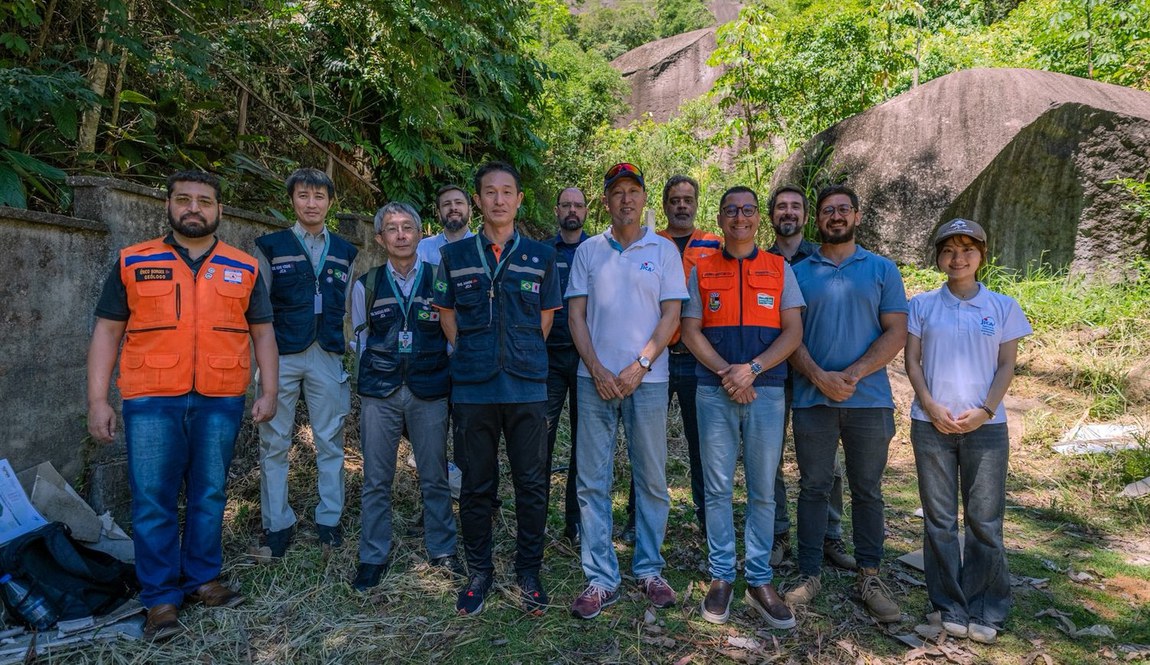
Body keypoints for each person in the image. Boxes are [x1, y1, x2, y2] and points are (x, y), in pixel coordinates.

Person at [87, 170, 278, 640]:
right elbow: (108, 331)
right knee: (152, 500)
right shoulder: (135, 261)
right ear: (169, 205)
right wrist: (97, 400)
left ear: (219, 210)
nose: (194, 208)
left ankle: (202, 580)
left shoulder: (244, 266)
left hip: (220, 397)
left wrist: (269, 389)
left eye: (205, 201)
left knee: (210, 494)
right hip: (151, 399)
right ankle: (160, 600)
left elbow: (263, 333)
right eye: (184, 199)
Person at [433, 161, 561, 616]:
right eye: (490, 192)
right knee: (476, 487)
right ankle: (480, 572)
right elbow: (446, 314)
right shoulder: (454, 257)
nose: (499, 200)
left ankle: (529, 571)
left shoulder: (542, 257)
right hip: (473, 389)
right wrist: (473, 352)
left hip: (526, 388)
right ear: (478, 200)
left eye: (508, 192)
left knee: (531, 483)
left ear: (519, 199)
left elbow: (544, 319)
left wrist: (517, 354)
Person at [566, 162, 688, 620]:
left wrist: (640, 365)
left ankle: (650, 568)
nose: (625, 199)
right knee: (592, 480)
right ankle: (600, 577)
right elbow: (576, 316)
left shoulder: (663, 250)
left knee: (652, 478)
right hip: (593, 380)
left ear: (643, 198)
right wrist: (595, 367)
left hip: (648, 381)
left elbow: (670, 317)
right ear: (606, 200)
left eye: (633, 190)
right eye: (617, 191)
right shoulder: (589, 252)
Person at [681, 186, 803, 629]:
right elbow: (690, 330)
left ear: (758, 219)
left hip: (766, 390)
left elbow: (792, 333)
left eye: (748, 210)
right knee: (716, 488)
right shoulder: (702, 268)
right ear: (720, 216)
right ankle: (720, 576)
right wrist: (727, 373)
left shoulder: (779, 268)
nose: (740, 218)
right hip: (714, 391)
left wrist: (750, 369)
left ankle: (758, 578)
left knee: (762, 490)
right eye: (731, 211)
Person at [786, 184, 908, 623]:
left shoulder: (881, 269)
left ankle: (870, 576)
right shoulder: (799, 273)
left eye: (843, 210)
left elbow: (896, 331)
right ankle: (808, 574)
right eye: (827, 211)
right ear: (816, 220)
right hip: (811, 399)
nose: (835, 217)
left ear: (857, 216)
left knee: (867, 490)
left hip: (869, 400)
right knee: (814, 486)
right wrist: (819, 376)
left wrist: (852, 375)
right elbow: (790, 334)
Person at [905, 218, 1030, 645]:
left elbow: (1006, 365)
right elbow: (912, 362)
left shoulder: (1002, 307)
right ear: (938, 257)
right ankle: (949, 604)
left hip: (986, 427)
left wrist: (985, 410)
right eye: (949, 250)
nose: (957, 258)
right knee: (939, 520)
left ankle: (986, 606)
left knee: (984, 520)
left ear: (982, 255)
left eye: (967, 250)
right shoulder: (922, 305)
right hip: (931, 424)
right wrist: (929, 404)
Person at [349, 202, 460, 591]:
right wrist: (380, 376)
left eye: (407, 227)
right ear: (380, 239)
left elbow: (451, 335)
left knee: (434, 474)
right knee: (377, 479)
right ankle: (373, 556)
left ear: (418, 233)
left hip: (429, 390)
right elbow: (360, 340)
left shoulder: (439, 277)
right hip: (380, 392)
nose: (400, 234)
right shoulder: (367, 283)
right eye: (391, 229)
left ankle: (443, 549)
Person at [254, 168, 358, 556]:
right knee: (274, 441)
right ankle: (276, 522)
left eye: (319, 196)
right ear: (292, 200)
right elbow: (259, 307)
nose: (311, 203)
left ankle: (329, 519)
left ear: (331, 202)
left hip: (327, 353)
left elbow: (347, 306)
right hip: (280, 354)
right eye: (303, 196)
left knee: (330, 440)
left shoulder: (347, 251)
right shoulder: (270, 246)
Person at [764, 185, 854, 572]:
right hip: (769, 375)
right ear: (772, 215)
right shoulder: (760, 259)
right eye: (781, 206)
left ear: (807, 216)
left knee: (827, 464)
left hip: (813, 375)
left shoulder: (822, 258)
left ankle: (829, 535)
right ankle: (778, 534)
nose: (788, 212)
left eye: (795, 207)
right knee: (768, 460)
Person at [635, 174, 721, 539]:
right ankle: (636, 519)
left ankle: (707, 518)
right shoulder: (650, 243)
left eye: (688, 199)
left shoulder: (714, 244)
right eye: (675, 200)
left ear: (697, 203)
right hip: (657, 356)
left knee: (703, 442)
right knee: (645, 442)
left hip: (698, 358)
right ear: (665, 204)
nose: (682, 205)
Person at [545, 186, 590, 546]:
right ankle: (537, 518)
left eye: (578, 205)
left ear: (587, 211)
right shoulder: (541, 252)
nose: (572, 210)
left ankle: (575, 523)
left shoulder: (599, 251)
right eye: (566, 205)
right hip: (548, 360)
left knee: (584, 444)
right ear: (556, 210)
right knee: (539, 442)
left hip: (589, 359)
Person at [416, 184, 474, 266]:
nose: (453, 208)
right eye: (446, 204)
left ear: (470, 210)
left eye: (459, 202)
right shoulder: (423, 248)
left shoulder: (485, 247)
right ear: (438, 213)